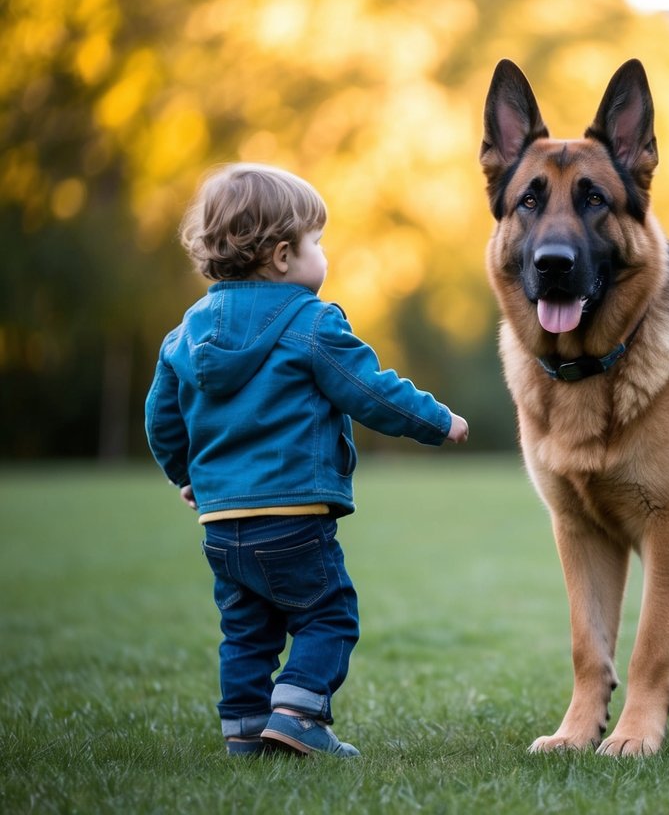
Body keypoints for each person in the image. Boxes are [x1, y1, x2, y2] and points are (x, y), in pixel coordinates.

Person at [145, 163, 469, 757]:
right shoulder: (312, 323)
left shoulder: (183, 336)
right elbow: (369, 390)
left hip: (220, 525)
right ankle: (299, 712)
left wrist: (184, 475)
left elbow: (161, 419)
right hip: (292, 514)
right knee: (329, 614)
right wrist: (438, 421)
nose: (325, 254)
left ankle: (243, 729)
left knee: (246, 629)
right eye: (318, 241)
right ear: (283, 256)